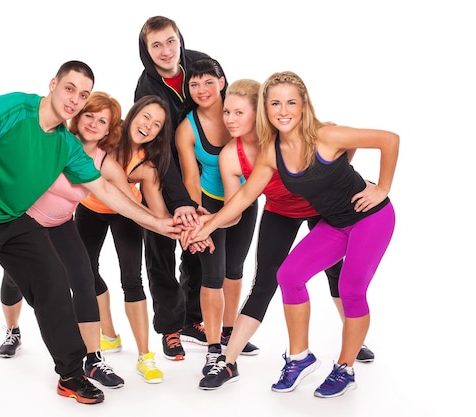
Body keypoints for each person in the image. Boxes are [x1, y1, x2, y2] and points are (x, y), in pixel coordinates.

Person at [0, 61, 184, 409]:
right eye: (69, 88)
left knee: (53, 284)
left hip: (12, 218)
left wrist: (157, 223)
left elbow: (106, 190)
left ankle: (71, 374)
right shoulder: (14, 107)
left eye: (82, 94)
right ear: (53, 84)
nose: (74, 99)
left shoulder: (66, 145)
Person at [185, 71, 398, 398]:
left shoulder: (324, 134)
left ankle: (348, 360)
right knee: (284, 276)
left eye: (290, 103)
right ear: (266, 110)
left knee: (347, 284)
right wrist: (207, 224)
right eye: (275, 104)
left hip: (351, 216)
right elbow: (242, 199)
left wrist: (382, 188)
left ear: (302, 106)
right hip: (308, 217)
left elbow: (386, 140)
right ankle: (281, 358)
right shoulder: (264, 152)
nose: (282, 110)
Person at [0, 92, 136, 389]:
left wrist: (170, 221)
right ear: (78, 116)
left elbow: (127, 198)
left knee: (84, 280)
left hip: (61, 224)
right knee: (13, 281)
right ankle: (13, 331)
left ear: (109, 130)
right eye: (90, 115)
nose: (94, 124)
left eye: (102, 121)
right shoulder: (56, 140)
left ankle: (93, 358)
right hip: (26, 222)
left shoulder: (103, 160)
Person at [75, 95, 211, 382]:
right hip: (90, 208)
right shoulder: (105, 138)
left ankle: (144, 356)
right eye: (145, 117)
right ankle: (109, 334)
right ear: (133, 114)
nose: (149, 126)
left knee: (132, 280)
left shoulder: (148, 165)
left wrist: (187, 233)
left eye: (157, 125)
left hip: (128, 214)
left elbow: (159, 216)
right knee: (84, 272)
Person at [134, 15, 217, 359]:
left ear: (179, 38)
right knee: (161, 253)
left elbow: (218, 108)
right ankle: (170, 327)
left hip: (201, 174)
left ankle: (193, 319)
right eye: (156, 45)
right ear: (146, 50)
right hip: (163, 173)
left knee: (197, 246)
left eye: (170, 41)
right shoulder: (146, 87)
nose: (166, 51)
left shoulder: (200, 64)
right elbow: (159, 147)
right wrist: (179, 199)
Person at [175, 59, 260, 379]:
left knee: (235, 270)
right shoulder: (188, 127)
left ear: (222, 82)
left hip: (245, 201)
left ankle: (228, 331)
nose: (201, 90)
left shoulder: (241, 110)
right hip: (209, 202)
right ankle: (213, 349)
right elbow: (189, 176)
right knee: (212, 273)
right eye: (194, 84)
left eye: (208, 82)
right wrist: (198, 216)